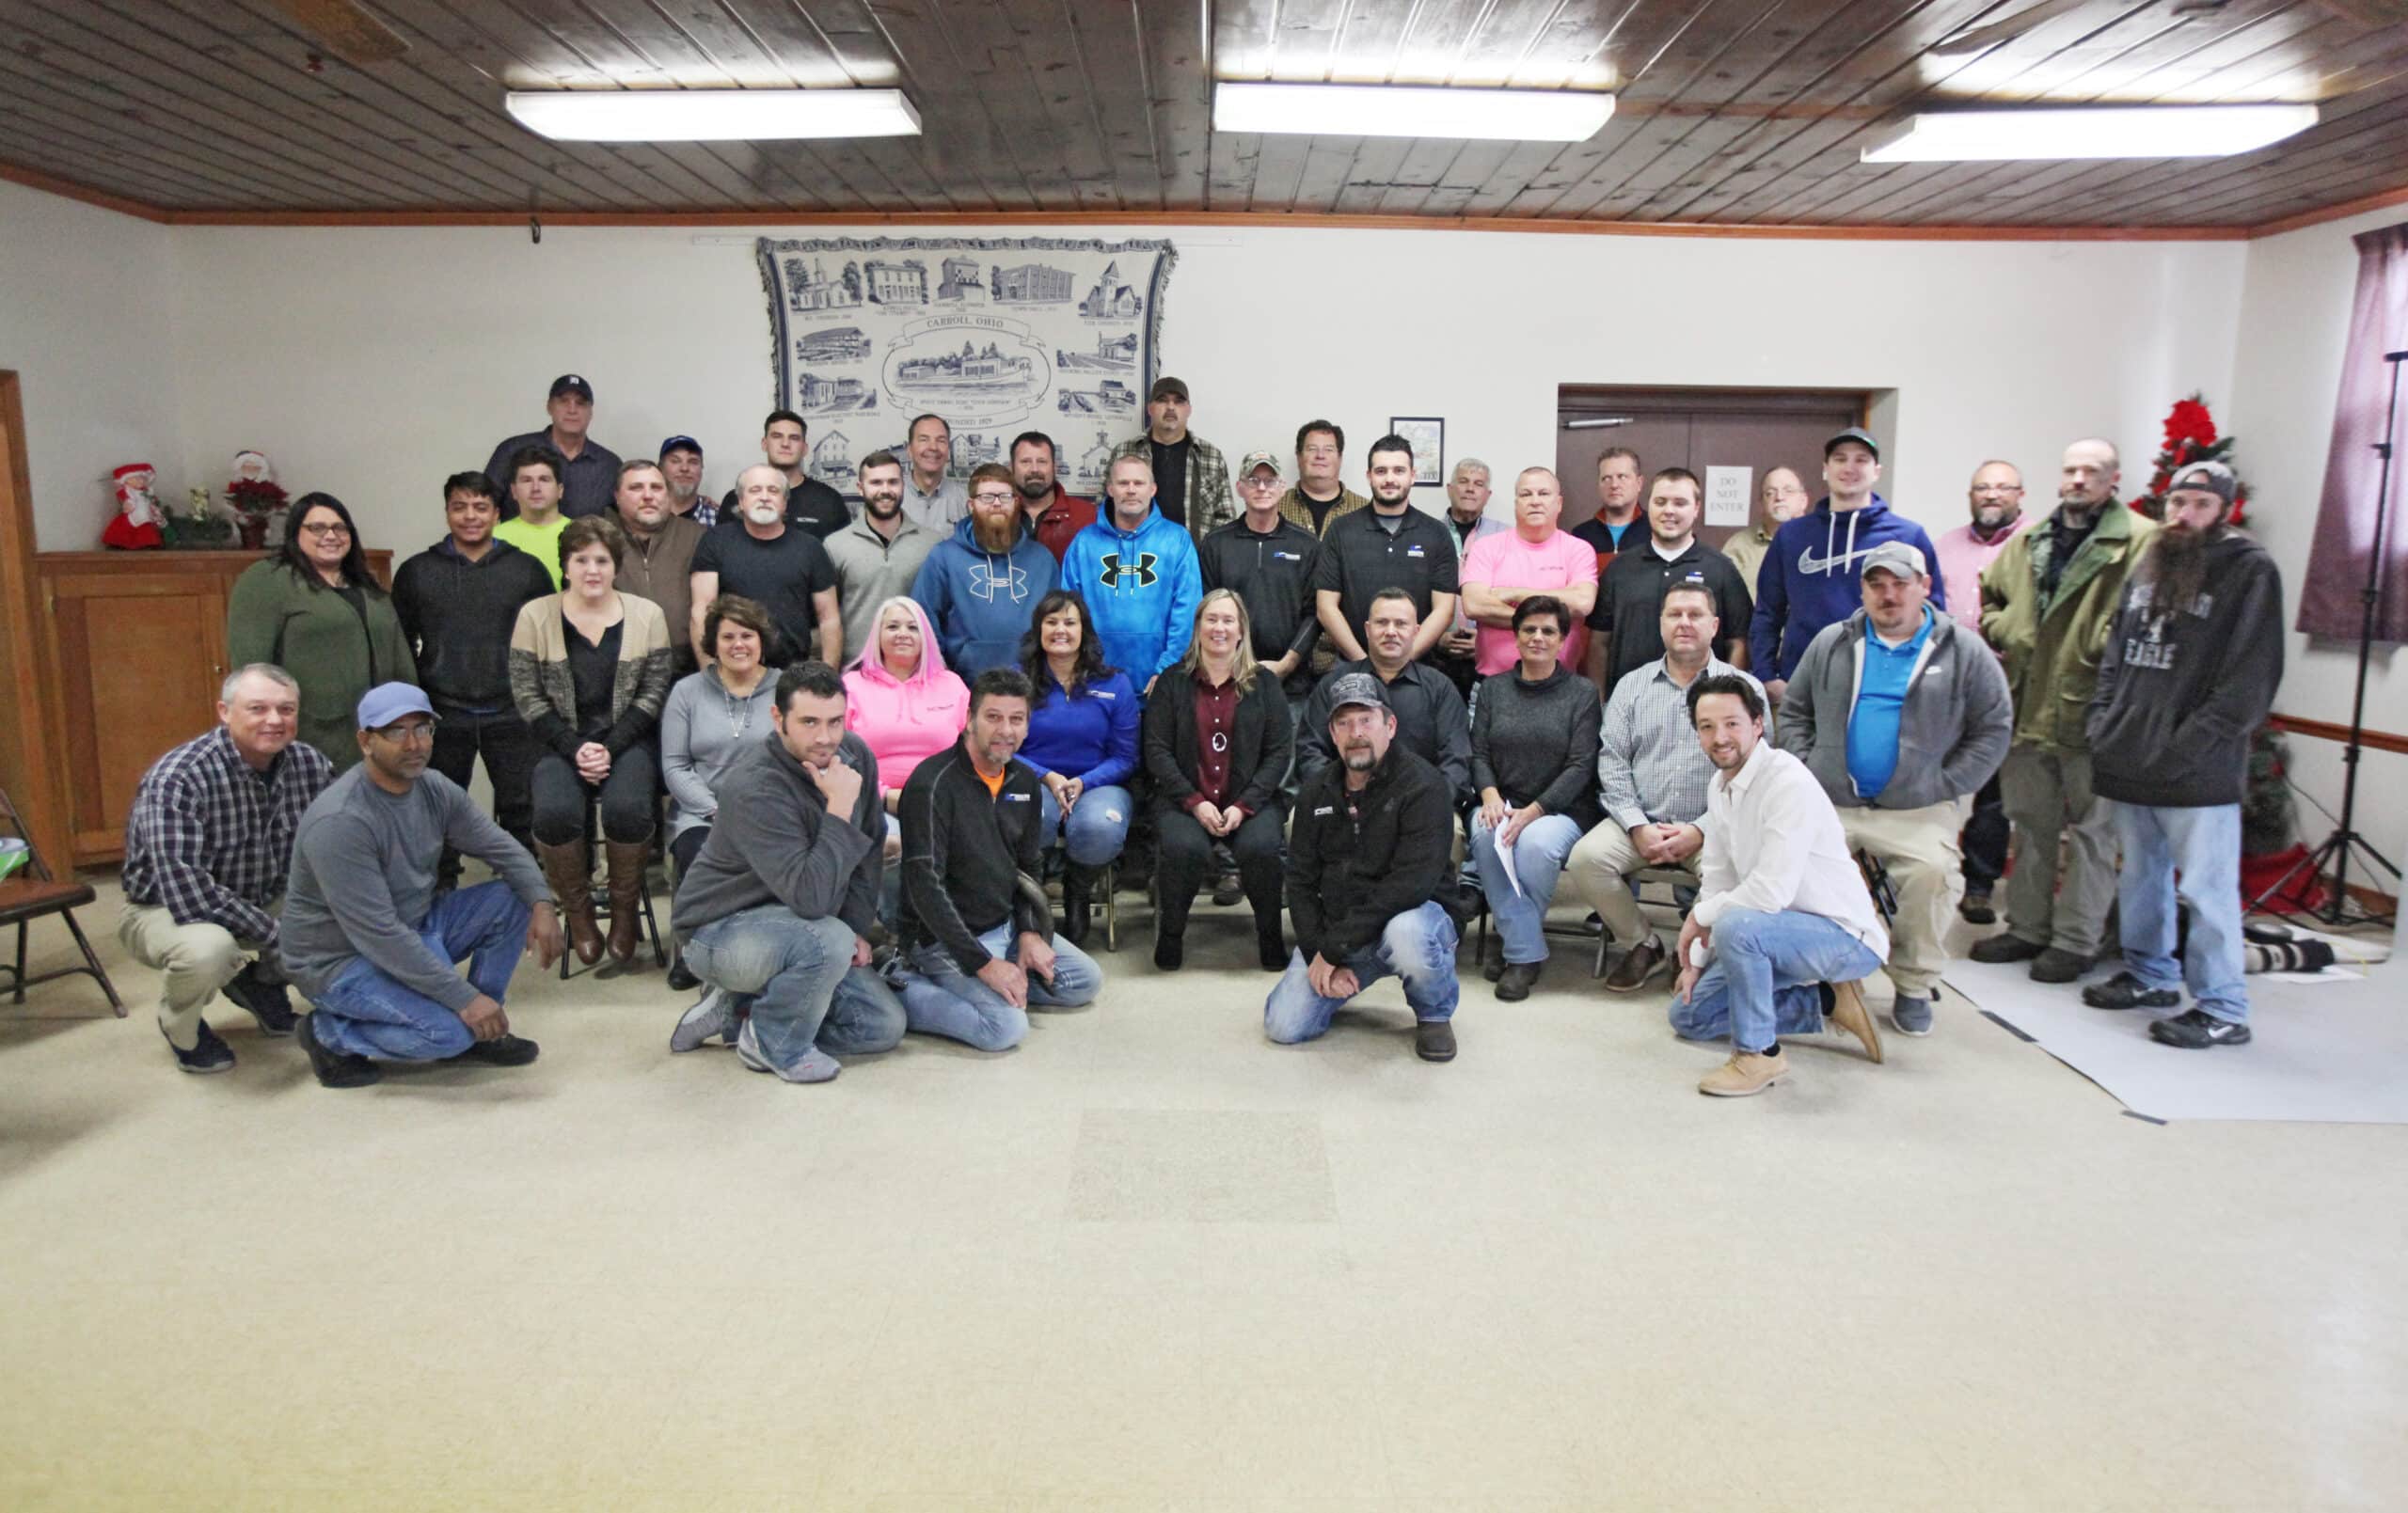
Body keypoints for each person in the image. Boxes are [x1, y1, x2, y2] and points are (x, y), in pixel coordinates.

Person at [2083, 461, 2283, 1049]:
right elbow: (2116, 653)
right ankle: (2151, 975)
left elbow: (2250, 678)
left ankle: (2223, 1006)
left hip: (2199, 770)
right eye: (2176, 502)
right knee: (2142, 876)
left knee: (2206, 889)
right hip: (2130, 758)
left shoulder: (2249, 571)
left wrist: (2190, 745)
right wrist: (2104, 723)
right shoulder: (2151, 563)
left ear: (2224, 509)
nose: (2184, 514)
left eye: (2199, 503)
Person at [1776, 543, 2013, 1035]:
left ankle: (1911, 981)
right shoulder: (1833, 642)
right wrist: (1808, 768)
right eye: (1876, 584)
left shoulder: (1963, 650)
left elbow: (1994, 727)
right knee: (1787, 863)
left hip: (1917, 807)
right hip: (1834, 801)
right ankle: (1813, 976)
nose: (1888, 595)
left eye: (1900, 584)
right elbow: (1794, 711)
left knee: (1933, 873)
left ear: (1924, 587)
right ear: (1862, 590)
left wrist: (1948, 782)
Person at [283, 684, 562, 1090]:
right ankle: (328, 1033)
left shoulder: (433, 788)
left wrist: (542, 903)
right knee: (446, 1035)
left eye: (423, 728)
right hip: (341, 960)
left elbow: (502, 848)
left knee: (512, 897)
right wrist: (463, 998)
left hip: (413, 925)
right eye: (396, 732)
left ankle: (485, 1024)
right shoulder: (341, 822)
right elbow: (379, 935)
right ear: (366, 741)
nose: (414, 744)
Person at [667, 660, 907, 1081]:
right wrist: (837, 808)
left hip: (800, 927)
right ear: (778, 718)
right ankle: (774, 1041)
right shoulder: (754, 785)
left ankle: (740, 1009)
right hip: (719, 929)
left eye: (835, 722)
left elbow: (867, 853)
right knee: (826, 940)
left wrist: (854, 928)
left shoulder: (855, 757)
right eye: (809, 722)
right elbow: (810, 898)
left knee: (882, 1025)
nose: (825, 737)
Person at [1973, 437, 2154, 984]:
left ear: (2114, 478)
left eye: (2091, 471)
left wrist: (2100, 645)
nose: (2078, 479)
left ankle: (2077, 940)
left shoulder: (2142, 543)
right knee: (2030, 825)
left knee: (2096, 834)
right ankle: (2027, 928)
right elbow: (1990, 602)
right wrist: (2012, 632)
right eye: (2071, 469)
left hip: (2096, 713)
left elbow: (2151, 620)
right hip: (2028, 704)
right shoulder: (2030, 542)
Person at [1668, 675, 1890, 1097]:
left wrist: (1699, 918)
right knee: (1688, 1017)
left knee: (1737, 927)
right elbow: (1717, 879)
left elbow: (1769, 894)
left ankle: (1759, 1055)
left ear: (1758, 724)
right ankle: (1828, 1003)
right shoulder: (1720, 787)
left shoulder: (1787, 782)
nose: (1720, 737)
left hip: (1841, 936)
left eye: (1732, 724)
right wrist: (1696, 956)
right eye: (1707, 727)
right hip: (1775, 932)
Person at [119, 665, 335, 1073]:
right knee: (210, 950)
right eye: (258, 708)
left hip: (259, 894)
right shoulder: (178, 778)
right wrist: (278, 935)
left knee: (338, 908)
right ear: (224, 711)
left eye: (286, 709)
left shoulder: (311, 765)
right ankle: (181, 1026)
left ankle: (260, 985)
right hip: (164, 909)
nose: (274, 720)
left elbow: (334, 849)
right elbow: (190, 892)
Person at [892, 668, 1104, 1051]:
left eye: (1016, 719)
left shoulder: (1023, 781)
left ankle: (992, 987)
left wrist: (1027, 931)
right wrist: (983, 965)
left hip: (1002, 926)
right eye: (993, 717)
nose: (1005, 729)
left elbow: (1028, 868)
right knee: (1003, 1029)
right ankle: (899, 984)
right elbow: (925, 885)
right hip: (942, 940)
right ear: (969, 719)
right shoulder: (931, 784)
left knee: (1084, 982)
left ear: (1027, 727)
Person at [1564, 584, 1760, 993]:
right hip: (1641, 822)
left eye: (1694, 614)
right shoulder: (1631, 686)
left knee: (1737, 878)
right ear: (1661, 623)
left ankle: (1693, 952)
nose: (1684, 623)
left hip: (1715, 828)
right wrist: (1637, 826)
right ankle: (1643, 943)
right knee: (1586, 859)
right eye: (1674, 614)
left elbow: (1755, 774)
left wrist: (1701, 829)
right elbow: (1612, 762)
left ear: (1714, 625)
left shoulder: (1743, 689)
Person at [509, 515, 675, 970]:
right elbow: (526, 694)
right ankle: (580, 914)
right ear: (565, 565)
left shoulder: (647, 615)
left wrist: (610, 746)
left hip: (628, 741)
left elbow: (655, 690)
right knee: (556, 813)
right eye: (580, 559)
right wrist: (573, 747)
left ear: (615, 565)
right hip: (559, 743)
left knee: (627, 810)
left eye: (601, 559)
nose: (591, 569)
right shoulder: (535, 615)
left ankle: (623, 914)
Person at [1267, 674, 1461, 1063]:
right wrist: (1318, 950)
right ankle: (1339, 981)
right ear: (1332, 734)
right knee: (1284, 1026)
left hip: (1410, 919)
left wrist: (1334, 947)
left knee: (1408, 932)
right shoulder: (1315, 791)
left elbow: (1409, 886)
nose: (1356, 732)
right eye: (1344, 723)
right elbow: (1301, 881)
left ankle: (1434, 1012)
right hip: (1342, 928)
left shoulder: (1424, 785)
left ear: (1390, 725)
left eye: (1366, 720)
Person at [391, 471, 554, 883]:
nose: (470, 516)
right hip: (443, 712)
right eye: (459, 507)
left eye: (480, 507)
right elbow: (401, 643)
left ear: (497, 513)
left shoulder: (527, 570)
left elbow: (547, 640)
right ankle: (440, 889)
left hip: (512, 709)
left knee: (523, 808)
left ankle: (526, 891)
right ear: (446, 512)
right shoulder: (417, 572)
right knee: (437, 808)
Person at [1141, 589, 1293, 972]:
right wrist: (1195, 801)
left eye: (1228, 620)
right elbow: (1156, 751)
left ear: (1242, 630)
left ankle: (1271, 937)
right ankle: (1171, 935)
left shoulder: (1265, 684)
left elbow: (1278, 753)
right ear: (1197, 628)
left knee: (1261, 849)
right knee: (1183, 847)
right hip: (1185, 800)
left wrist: (1245, 806)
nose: (1219, 628)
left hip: (1250, 803)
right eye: (1211, 619)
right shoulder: (1172, 682)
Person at [1467, 597, 1602, 1001]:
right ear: (1516, 636)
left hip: (1561, 808)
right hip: (1502, 798)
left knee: (1535, 846)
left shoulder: (1581, 693)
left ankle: (1515, 945)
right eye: (1529, 629)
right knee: (1483, 833)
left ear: (1563, 640)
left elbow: (1581, 765)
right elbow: (1478, 753)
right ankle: (1524, 950)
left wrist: (1535, 811)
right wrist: (1489, 796)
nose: (1538, 638)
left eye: (1548, 631)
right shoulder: (1493, 690)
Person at [226, 491, 417, 773]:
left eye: (340, 527)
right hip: (312, 735)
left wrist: (411, 713)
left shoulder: (366, 585)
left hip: (381, 730)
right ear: (295, 532)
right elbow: (251, 667)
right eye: (317, 527)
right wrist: (264, 724)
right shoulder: (268, 579)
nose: (330, 535)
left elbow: (400, 656)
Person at [1750, 428, 1945, 701]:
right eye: (1840, 459)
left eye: (1861, 460)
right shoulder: (1791, 536)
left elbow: (1934, 614)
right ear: (1825, 469)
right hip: (1804, 687)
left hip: (1885, 688)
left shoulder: (1908, 536)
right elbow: (1767, 613)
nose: (1849, 467)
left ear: (1876, 471)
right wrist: (1766, 676)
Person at [1934, 459, 2034, 925]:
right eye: (1981, 488)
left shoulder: (2035, 546)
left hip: (2010, 687)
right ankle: (1931, 874)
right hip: (1947, 686)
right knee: (1936, 786)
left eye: (2001, 488)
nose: (1991, 496)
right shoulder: (1944, 547)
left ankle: (1978, 885)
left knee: (1994, 795)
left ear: (2020, 494)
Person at [1019, 591, 1139, 946]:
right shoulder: (1017, 681)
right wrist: (1047, 776)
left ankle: (1078, 890)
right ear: (1038, 630)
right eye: (1051, 622)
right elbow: (1002, 747)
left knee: (1099, 828)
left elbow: (1126, 756)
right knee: (1029, 817)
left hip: (1099, 783)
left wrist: (1084, 782)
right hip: (1033, 780)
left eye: (1070, 622)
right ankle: (1031, 899)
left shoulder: (1114, 683)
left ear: (1084, 631)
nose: (1060, 630)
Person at [1293, 589, 1474, 810]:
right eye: (1382, 623)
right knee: (1295, 825)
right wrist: (1340, 798)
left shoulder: (1440, 689)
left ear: (1416, 632)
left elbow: (1457, 760)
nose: (1391, 632)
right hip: (1342, 805)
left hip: (1422, 807)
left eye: (1400, 624)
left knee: (1453, 836)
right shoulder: (1334, 684)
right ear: (1368, 630)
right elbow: (1309, 749)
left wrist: (1428, 805)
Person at [1589, 466, 1753, 693]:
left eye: (1679, 503)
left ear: (1696, 508)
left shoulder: (1721, 569)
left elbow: (1738, 642)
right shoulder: (1619, 569)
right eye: (1660, 502)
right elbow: (1599, 644)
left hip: (1703, 707)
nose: (1668, 510)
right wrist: (1600, 703)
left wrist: (1731, 697)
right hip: (1629, 703)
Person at [660, 594, 784, 881]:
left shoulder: (787, 688)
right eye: (727, 636)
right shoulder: (686, 692)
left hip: (772, 810)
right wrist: (717, 811)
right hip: (702, 814)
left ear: (761, 641)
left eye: (747, 636)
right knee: (704, 864)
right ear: (713, 644)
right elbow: (675, 766)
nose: (738, 644)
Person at [1060, 453, 1204, 694]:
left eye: (1138, 483)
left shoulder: (1176, 540)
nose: (1131, 490)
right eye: (1123, 483)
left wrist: (1167, 669)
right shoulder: (1084, 543)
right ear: (1110, 489)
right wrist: (1082, 666)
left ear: (1153, 489)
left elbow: (1188, 611)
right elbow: (1068, 612)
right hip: (1094, 682)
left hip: (1160, 684)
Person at [1312, 434, 1460, 664]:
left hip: (1417, 666)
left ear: (1413, 476)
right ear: (1369, 476)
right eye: (1381, 471)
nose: (1390, 479)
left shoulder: (1436, 533)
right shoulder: (1341, 530)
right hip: (1353, 664)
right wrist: (1363, 662)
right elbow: (1326, 608)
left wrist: (1403, 663)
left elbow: (1444, 611)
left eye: (1399, 471)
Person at [843, 596, 970, 864]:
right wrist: (885, 795)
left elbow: (975, 748)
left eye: (913, 628)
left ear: (926, 637)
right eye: (892, 627)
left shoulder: (952, 684)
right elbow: (837, 756)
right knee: (897, 846)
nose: (903, 634)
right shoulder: (851, 686)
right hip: (872, 802)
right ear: (877, 635)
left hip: (942, 799)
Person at [1198, 449, 1324, 714]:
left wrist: (1288, 663)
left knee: (1286, 755)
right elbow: (1206, 613)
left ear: (1282, 488)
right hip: (1228, 682)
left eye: (1270, 480)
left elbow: (1315, 613)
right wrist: (1234, 662)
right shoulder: (1216, 544)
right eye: (1253, 481)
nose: (1262, 488)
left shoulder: (1307, 545)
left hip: (1291, 687)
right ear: (1240, 488)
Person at [912, 461, 1060, 675]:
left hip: (1030, 685)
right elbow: (924, 619)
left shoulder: (1042, 559)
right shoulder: (944, 557)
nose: (997, 504)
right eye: (987, 497)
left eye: (1005, 497)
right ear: (971, 505)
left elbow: (1056, 622)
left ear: (1017, 503)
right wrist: (942, 675)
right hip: (964, 685)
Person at [688, 464, 844, 667]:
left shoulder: (811, 548)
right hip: (732, 670)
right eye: (755, 490)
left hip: (793, 673)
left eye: (773, 490)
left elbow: (829, 619)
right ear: (741, 501)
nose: (764, 497)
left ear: (785, 503)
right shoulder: (715, 542)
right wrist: (708, 672)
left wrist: (829, 677)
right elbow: (701, 612)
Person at [1460, 465, 1601, 680]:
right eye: (1526, 494)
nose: (1535, 501)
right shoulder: (1486, 547)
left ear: (1559, 503)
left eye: (1543, 494)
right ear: (1516, 503)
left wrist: (1516, 594)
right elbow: (1474, 605)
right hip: (1493, 684)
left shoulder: (1578, 549)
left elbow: (1582, 602)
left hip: (1560, 687)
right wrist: (1553, 620)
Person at [825, 449, 941, 662]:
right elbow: (828, 617)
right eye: (876, 483)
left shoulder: (932, 544)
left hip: (916, 669)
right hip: (856, 669)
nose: (885, 490)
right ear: (860, 488)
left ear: (903, 485)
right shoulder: (835, 545)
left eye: (893, 482)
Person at [610, 458, 709, 678]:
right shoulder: (599, 537)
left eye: (656, 487)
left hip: (685, 667)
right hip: (618, 666)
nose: (648, 496)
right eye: (636, 488)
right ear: (617, 496)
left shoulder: (698, 536)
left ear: (668, 494)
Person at [1111, 375, 1235, 543]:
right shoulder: (1124, 452)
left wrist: (1208, 557)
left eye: (1178, 401)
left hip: (1193, 561)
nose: (1170, 407)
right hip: (1136, 559)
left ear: (1189, 410)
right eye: (1162, 400)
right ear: (1150, 409)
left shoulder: (1210, 456)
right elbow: (1105, 507)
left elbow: (1226, 518)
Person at [483, 373, 621, 520]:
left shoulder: (609, 465)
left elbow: (632, 513)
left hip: (583, 543)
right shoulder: (512, 450)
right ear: (549, 407)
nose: (572, 410)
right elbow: (482, 504)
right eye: (563, 401)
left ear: (591, 412)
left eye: (580, 403)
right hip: (517, 542)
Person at [1433, 457, 1509, 697]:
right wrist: (1436, 638)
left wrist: (1485, 641)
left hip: (1492, 658)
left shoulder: (1506, 537)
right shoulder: (1427, 532)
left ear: (1487, 494)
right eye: (1463, 481)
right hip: (1436, 656)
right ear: (1450, 489)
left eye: (1478, 484)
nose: (1469, 488)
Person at [719, 409, 849, 540]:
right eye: (777, 436)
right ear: (764, 444)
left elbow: (841, 554)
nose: (785, 444)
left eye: (794, 438)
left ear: (804, 449)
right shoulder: (737, 498)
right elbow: (720, 549)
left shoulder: (829, 500)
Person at [1720, 465, 1809, 594]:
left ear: (1804, 501)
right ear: (1761, 504)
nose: (1779, 497)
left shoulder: (1822, 540)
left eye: (1788, 491)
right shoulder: (1739, 545)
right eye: (1770, 493)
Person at [492, 448, 572, 588]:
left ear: (560, 490)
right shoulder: (494, 538)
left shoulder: (580, 534)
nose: (536, 488)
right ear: (514, 491)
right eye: (526, 480)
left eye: (544, 480)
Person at [1012, 429, 1096, 562]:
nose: (1034, 469)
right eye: (1025, 461)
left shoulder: (1088, 516)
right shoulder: (999, 514)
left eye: (1042, 461)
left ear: (1054, 467)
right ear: (1012, 468)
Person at [1277, 418, 1366, 539]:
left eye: (1329, 450)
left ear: (1340, 458)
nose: (1320, 456)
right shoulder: (1276, 506)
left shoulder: (1365, 510)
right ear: (1298, 456)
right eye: (1312, 449)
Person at [1570, 446, 1645, 572]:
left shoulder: (1655, 531)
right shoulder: (1581, 535)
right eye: (1606, 478)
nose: (1614, 485)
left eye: (1622, 476)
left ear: (1639, 483)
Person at [900, 412, 968, 531]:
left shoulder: (965, 500)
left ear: (948, 452)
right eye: (924, 440)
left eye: (941, 440)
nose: (933, 447)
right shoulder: (893, 496)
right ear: (909, 450)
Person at [660, 434, 713, 528]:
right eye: (675, 461)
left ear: (701, 469)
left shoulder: (718, 519)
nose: (684, 468)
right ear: (661, 468)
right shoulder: (647, 513)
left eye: (693, 462)